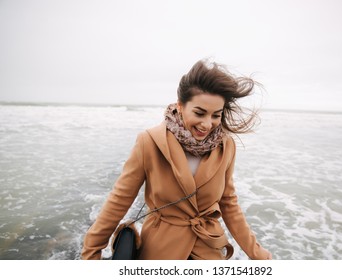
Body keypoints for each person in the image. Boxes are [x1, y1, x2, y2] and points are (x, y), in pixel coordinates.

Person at [81, 60, 272, 260]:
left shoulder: (226, 146)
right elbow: (119, 200)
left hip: (207, 247)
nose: (207, 124)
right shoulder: (149, 142)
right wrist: (91, 252)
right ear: (180, 106)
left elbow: (229, 204)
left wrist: (257, 253)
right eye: (199, 113)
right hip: (160, 249)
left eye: (216, 115)